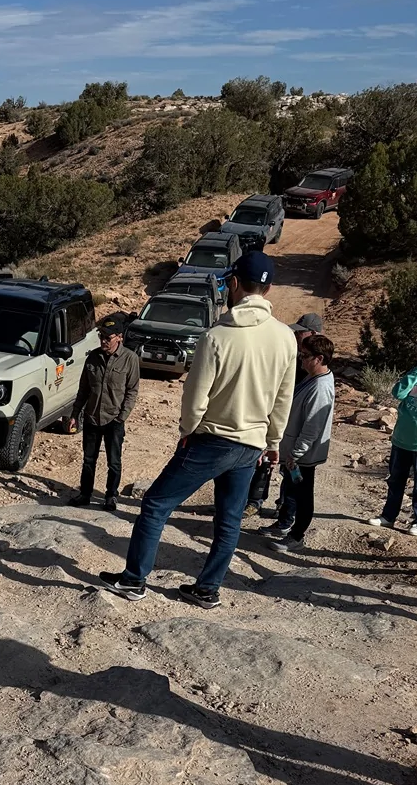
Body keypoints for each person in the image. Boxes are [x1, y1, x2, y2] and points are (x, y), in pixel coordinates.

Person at [98, 250, 295, 609]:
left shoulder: (217, 336)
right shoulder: (285, 338)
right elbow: (283, 398)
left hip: (211, 439)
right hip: (251, 446)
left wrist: (187, 430)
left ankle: (134, 580)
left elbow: (195, 395)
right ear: (268, 291)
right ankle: (207, 589)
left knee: (156, 504)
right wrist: (274, 442)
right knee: (229, 519)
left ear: (233, 283)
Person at [243, 311, 324, 518]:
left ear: (313, 333)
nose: (296, 337)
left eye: (301, 333)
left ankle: (285, 510)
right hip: (279, 415)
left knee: (289, 468)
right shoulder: (295, 355)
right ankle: (255, 501)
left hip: (295, 424)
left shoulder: (317, 364)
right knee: (266, 459)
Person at [262, 333, 335, 550]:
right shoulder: (312, 377)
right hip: (294, 451)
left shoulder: (321, 387)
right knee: (291, 490)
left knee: (303, 495)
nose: (301, 360)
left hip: (303, 455)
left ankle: (296, 536)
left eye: (305, 356)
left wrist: (296, 453)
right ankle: (285, 525)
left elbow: (312, 426)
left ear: (319, 358)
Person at [67, 311, 139, 512]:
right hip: (91, 417)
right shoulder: (93, 358)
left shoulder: (129, 359)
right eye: (101, 336)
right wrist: (75, 415)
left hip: (113, 420)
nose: (103, 341)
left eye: (108, 337)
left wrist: (121, 417)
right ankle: (85, 494)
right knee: (88, 459)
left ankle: (111, 496)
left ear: (119, 337)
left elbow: (132, 391)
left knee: (113, 462)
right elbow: (83, 389)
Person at [368, 340, 417, 536]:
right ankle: (388, 516)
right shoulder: (414, 374)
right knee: (395, 480)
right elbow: (398, 393)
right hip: (401, 438)